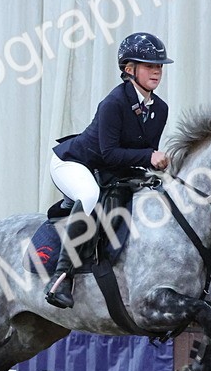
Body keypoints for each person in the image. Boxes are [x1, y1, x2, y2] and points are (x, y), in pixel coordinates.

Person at [44, 32, 173, 309]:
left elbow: (140, 155)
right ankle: (61, 277)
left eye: (159, 66)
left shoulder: (160, 109)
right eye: (149, 65)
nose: (156, 71)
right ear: (129, 69)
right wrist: (150, 157)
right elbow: (110, 153)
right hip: (75, 163)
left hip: (110, 170)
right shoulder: (114, 103)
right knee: (89, 195)